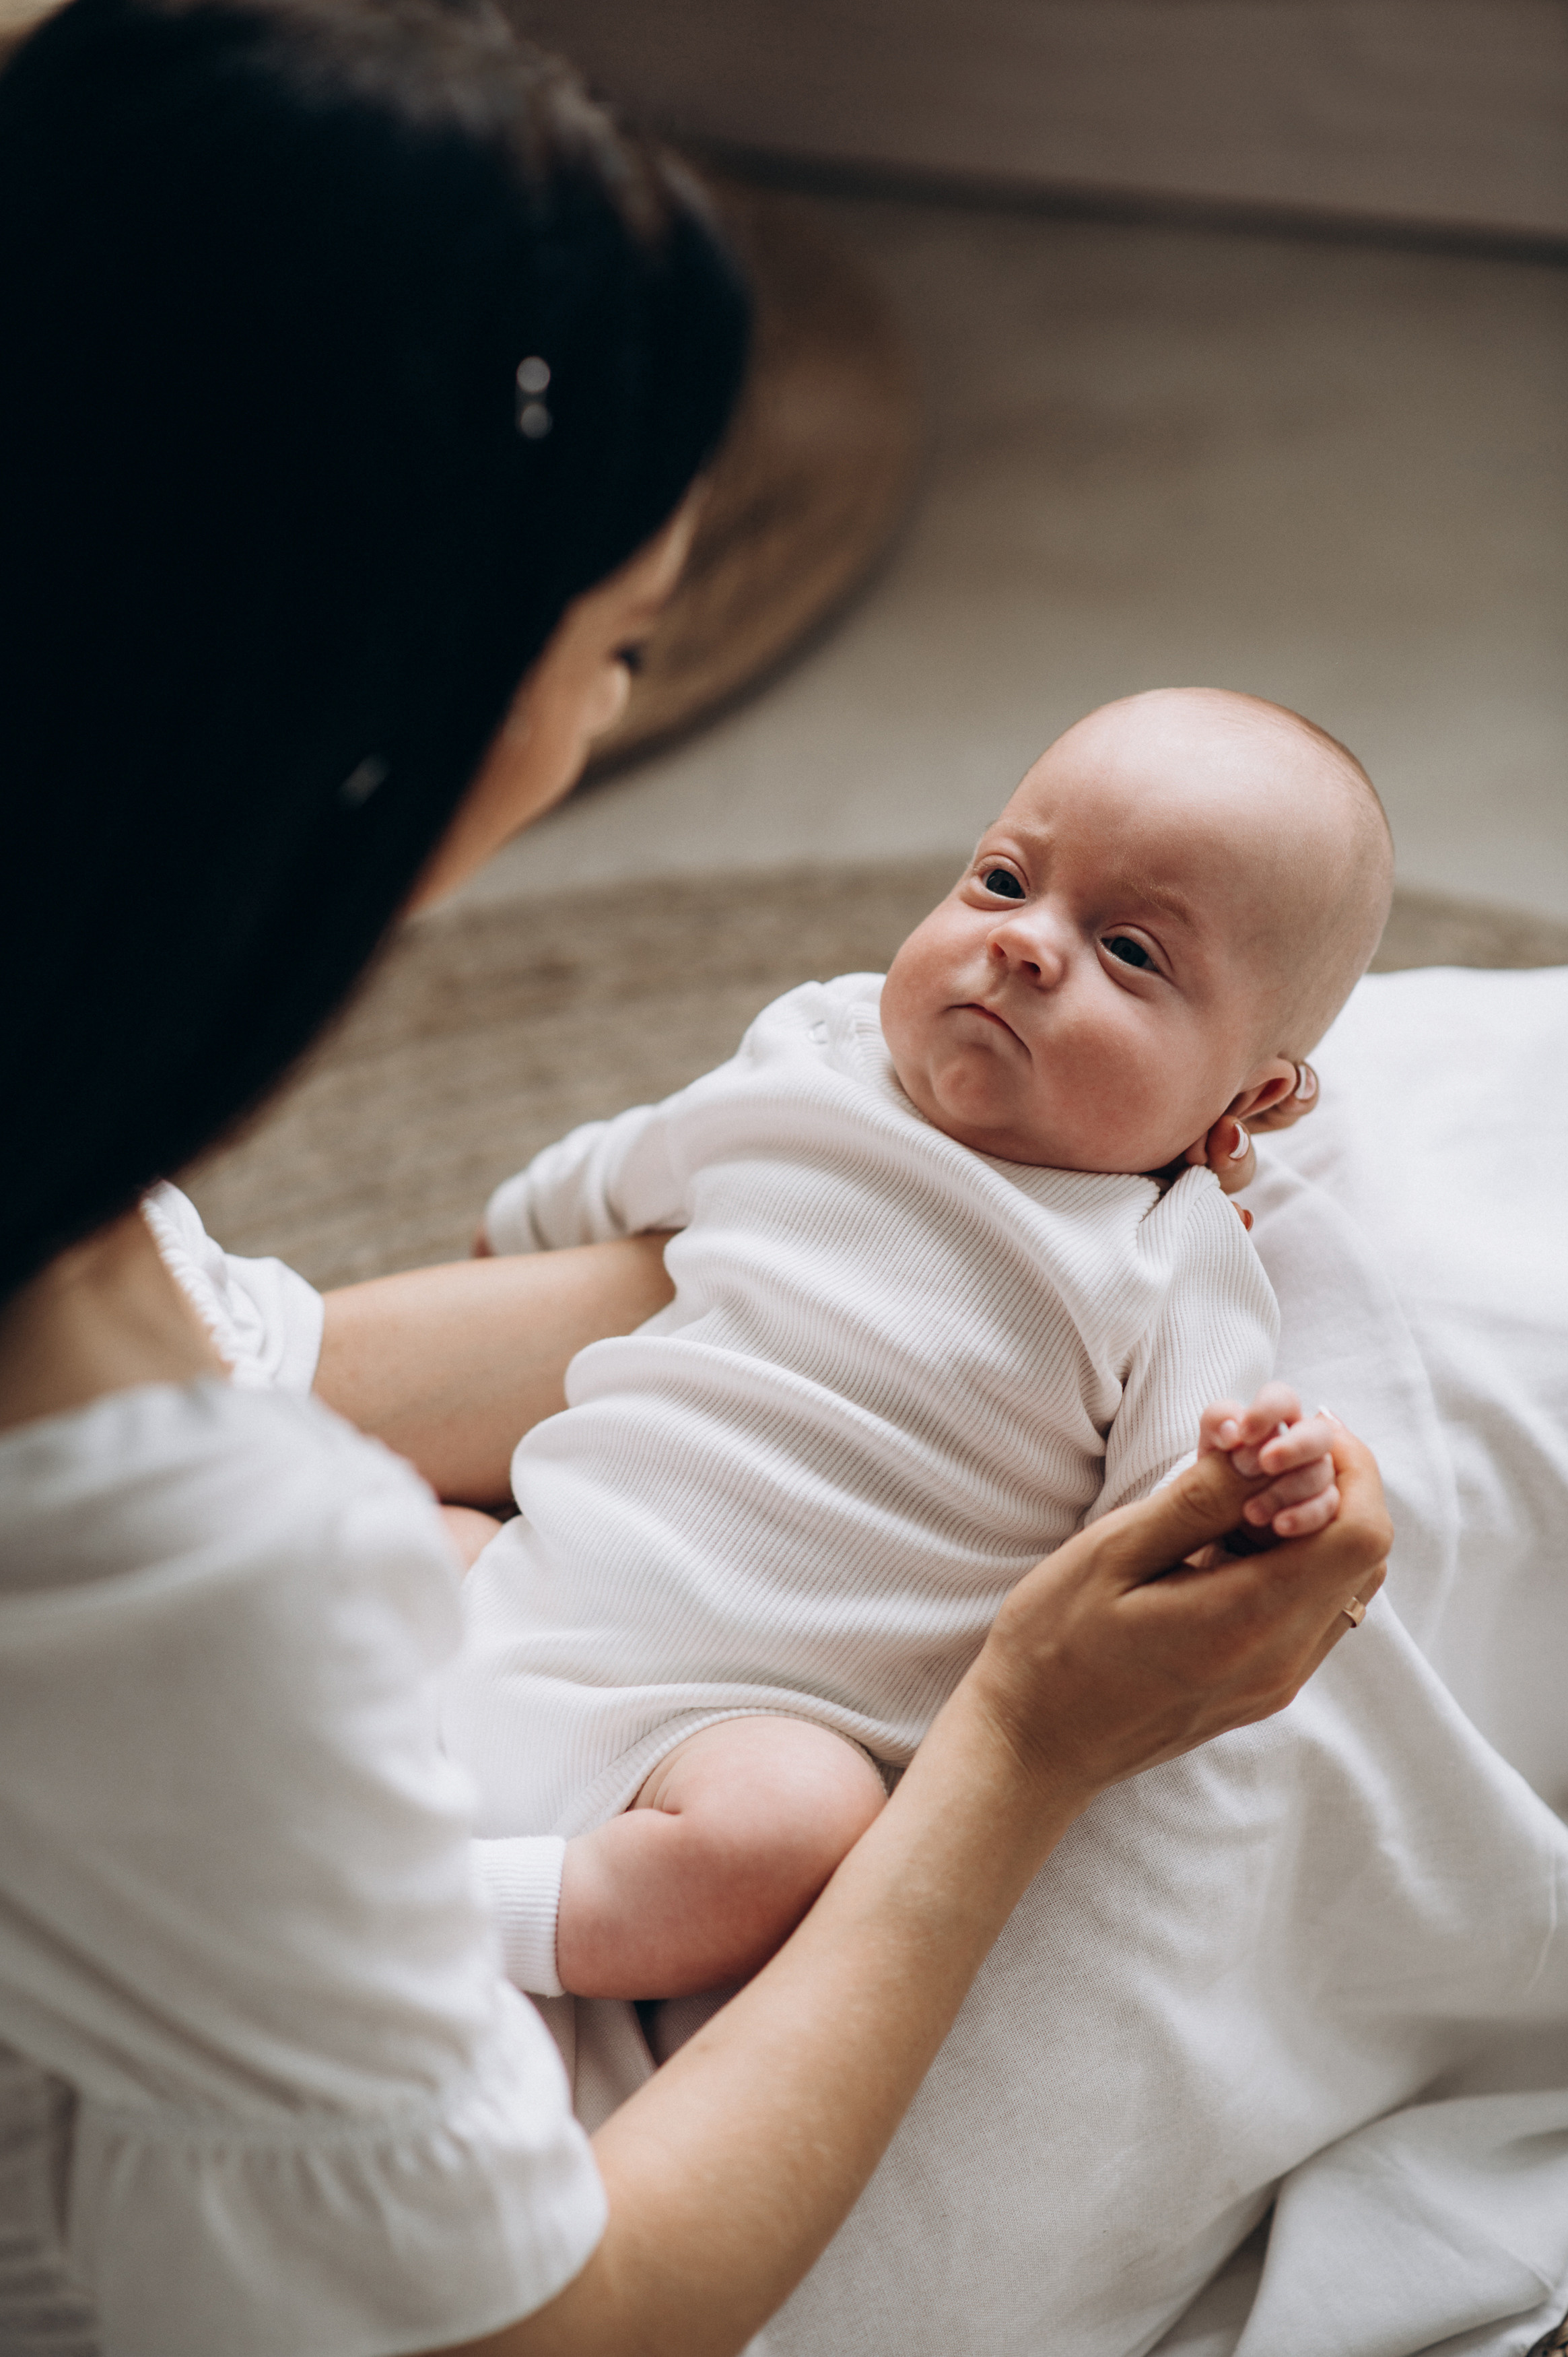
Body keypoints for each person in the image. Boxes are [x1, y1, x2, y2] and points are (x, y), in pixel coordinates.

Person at [0, 4, 1392, 2353]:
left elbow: (303, 1344)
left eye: (1133, 955)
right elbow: (557, 2328)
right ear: (374, 726)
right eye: (621, 645)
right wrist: (1027, 1734)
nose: (613, 716)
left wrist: (811, 1274)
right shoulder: (192, 1602)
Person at [445, 686, 1388, 2004]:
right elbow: (626, 1167)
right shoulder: (816, 1054)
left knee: (795, 1829)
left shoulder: (1165, 1259)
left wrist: (1250, 1489)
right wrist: (512, 1232)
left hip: (716, 1726)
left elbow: (1156, 1544)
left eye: (1128, 951)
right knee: (339, 1508)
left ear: (1250, 1096)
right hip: (516, 1575)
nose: (1025, 945)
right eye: (1002, 880)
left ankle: (442, 1915)